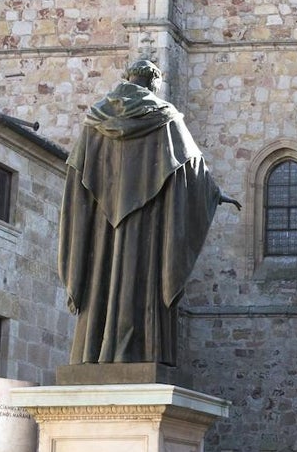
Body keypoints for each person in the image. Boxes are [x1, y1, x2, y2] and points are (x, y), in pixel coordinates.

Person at [58, 59, 240, 367]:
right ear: (153, 84)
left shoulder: (95, 122)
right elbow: (191, 168)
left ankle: (93, 351)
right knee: (142, 283)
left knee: (103, 274)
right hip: (148, 228)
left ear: (128, 78)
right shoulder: (166, 119)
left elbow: (77, 178)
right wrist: (214, 194)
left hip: (103, 231)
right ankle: (142, 351)